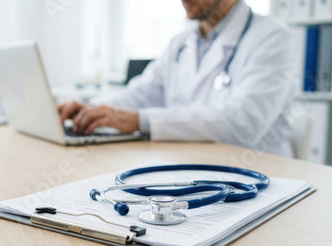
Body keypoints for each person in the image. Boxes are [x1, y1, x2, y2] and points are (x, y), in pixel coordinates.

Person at [58, 0, 296, 157]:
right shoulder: (181, 44)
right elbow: (138, 94)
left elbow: (243, 122)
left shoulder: (273, 37)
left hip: (258, 177)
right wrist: (91, 110)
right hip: (190, 166)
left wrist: (139, 120)